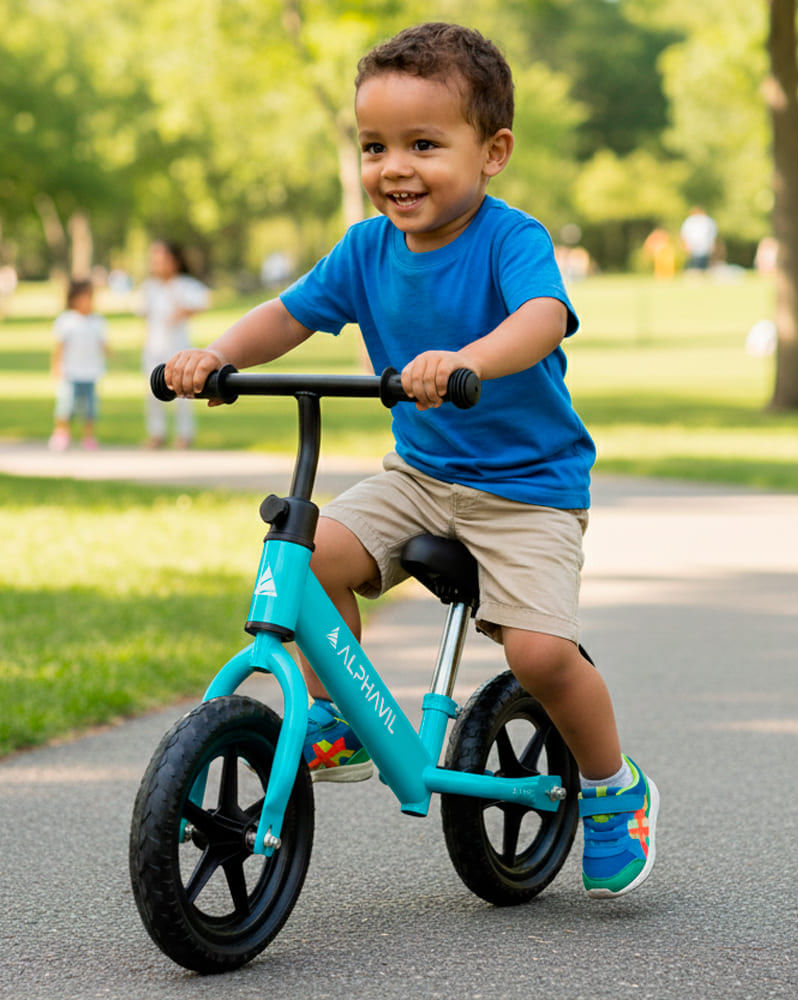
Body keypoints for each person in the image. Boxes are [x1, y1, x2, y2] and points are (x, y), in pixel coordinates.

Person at [162, 22, 658, 900]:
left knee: (541, 655)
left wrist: (467, 357)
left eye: (424, 145)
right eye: (375, 146)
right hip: (420, 478)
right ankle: (340, 718)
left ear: (492, 151)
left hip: (526, 489)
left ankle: (615, 788)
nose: (396, 167)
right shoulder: (365, 248)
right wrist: (216, 356)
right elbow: (289, 313)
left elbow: (542, 316)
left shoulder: (511, 239)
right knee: (309, 559)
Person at [138, 240, 210, 449]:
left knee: (183, 393)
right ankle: (156, 433)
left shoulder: (185, 285)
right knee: (153, 393)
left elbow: (201, 302)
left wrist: (182, 309)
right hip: (153, 348)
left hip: (178, 348)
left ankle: (184, 434)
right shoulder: (150, 287)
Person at [49, 278, 110, 451]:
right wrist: (56, 366)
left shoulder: (98, 322)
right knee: (65, 406)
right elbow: (59, 347)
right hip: (71, 372)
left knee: (90, 409)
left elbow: (103, 344)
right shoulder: (66, 321)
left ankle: (89, 437)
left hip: (91, 372)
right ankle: (61, 434)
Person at [679, 206, 718, 272]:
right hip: (693, 246)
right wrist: (686, 244)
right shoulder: (690, 221)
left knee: (703, 263)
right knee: (693, 263)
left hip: (704, 246)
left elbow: (712, 235)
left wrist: (711, 244)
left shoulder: (708, 221)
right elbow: (685, 234)